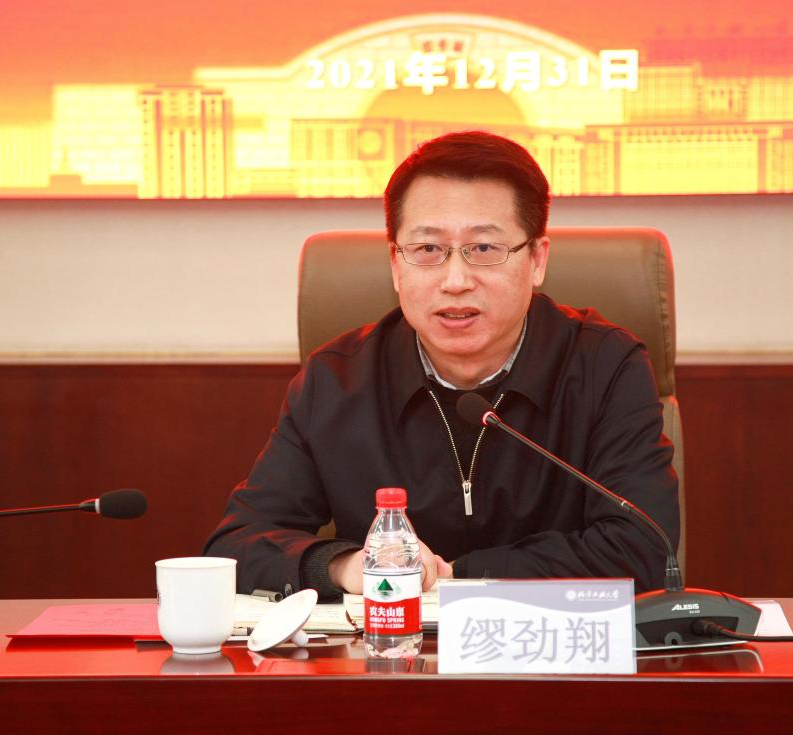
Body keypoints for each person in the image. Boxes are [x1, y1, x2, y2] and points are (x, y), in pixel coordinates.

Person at [204, 131, 679, 600]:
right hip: (390, 645)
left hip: (554, 645)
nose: (455, 281)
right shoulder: (336, 380)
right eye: (428, 250)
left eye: (484, 249)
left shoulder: (605, 368)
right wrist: (346, 567)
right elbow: (237, 546)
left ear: (537, 259)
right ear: (396, 264)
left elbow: (642, 550)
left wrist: (455, 576)